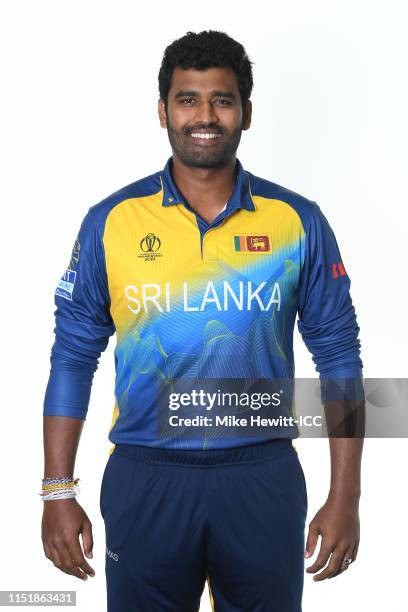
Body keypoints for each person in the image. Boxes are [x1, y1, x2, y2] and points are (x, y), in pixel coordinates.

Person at [41, 30, 364, 612]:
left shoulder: (297, 221)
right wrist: (57, 490)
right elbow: (72, 356)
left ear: (246, 112)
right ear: (163, 110)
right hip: (147, 476)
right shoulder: (110, 222)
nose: (205, 115)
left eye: (222, 98)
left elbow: (339, 356)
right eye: (188, 99)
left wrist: (347, 493)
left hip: (261, 474)